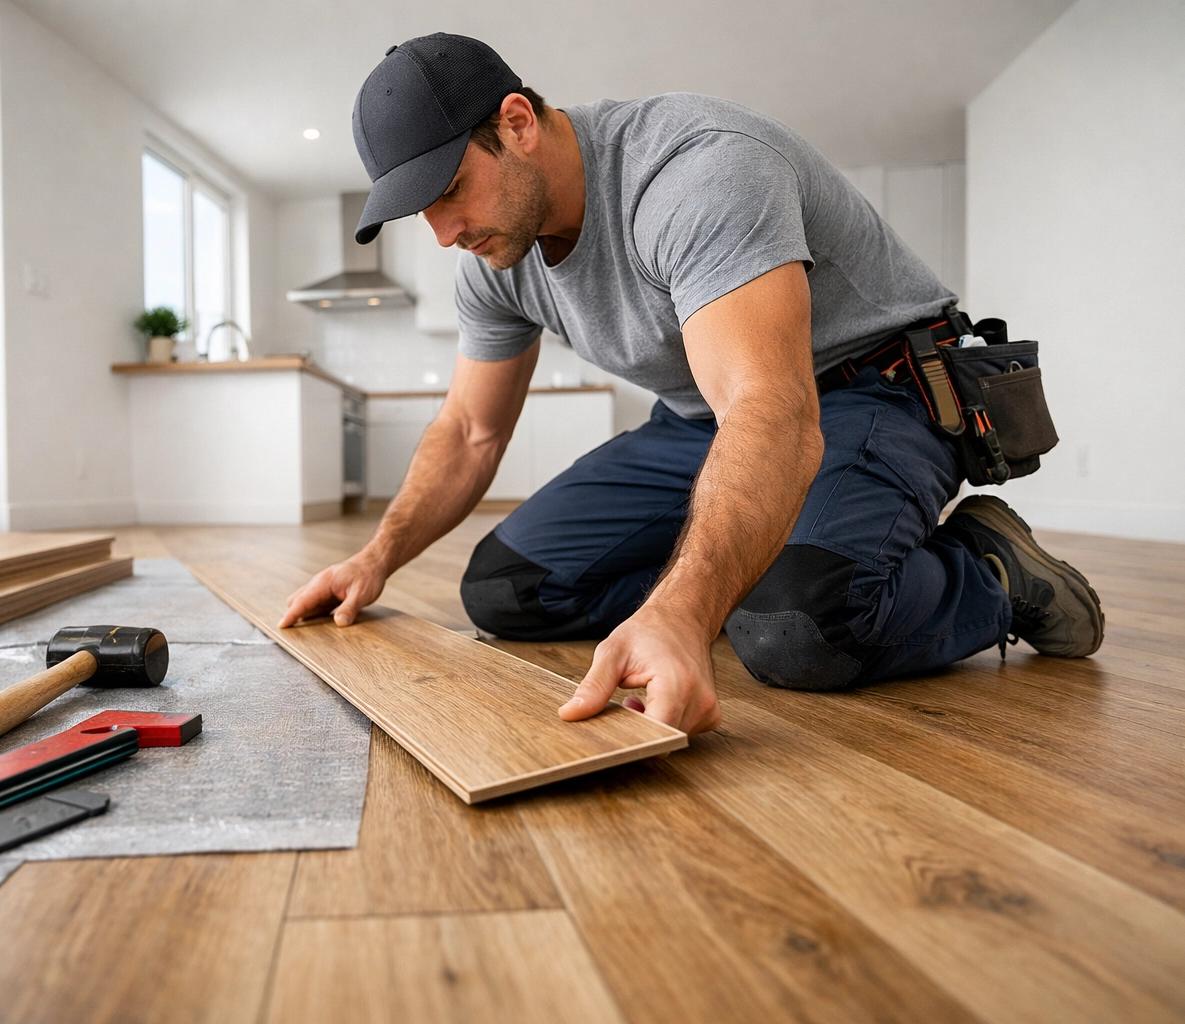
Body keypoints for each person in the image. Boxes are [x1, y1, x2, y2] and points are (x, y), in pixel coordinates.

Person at [280, 32, 1104, 735]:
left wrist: (687, 613)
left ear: (518, 123)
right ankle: (727, 591)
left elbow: (772, 408)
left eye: (449, 191)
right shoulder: (495, 262)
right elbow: (469, 430)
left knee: (795, 630)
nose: (444, 232)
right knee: (507, 589)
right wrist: (375, 558)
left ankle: (989, 569)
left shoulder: (694, 171)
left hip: (870, 388)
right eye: (417, 212)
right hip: (704, 418)